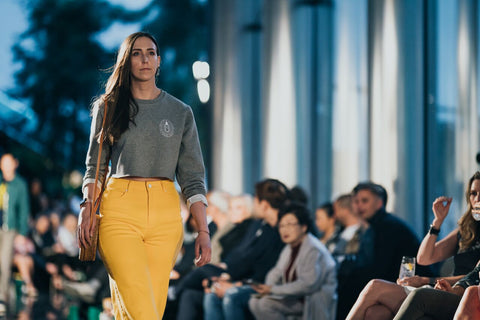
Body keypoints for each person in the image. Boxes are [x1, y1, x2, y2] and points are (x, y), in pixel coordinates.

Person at [78, 31, 211, 320]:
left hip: (166, 215)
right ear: (127, 62)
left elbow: (192, 178)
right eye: (136, 53)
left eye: (150, 52)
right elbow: (95, 167)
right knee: (144, 312)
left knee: (143, 308)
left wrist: (203, 230)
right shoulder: (108, 106)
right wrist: (86, 207)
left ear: (159, 61)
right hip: (119, 211)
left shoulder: (180, 112)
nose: (145, 59)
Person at [346, 172, 480, 320]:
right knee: (376, 313)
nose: (477, 199)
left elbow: (474, 275)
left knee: (374, 286)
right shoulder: (467, 230)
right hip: (443, 288)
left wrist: (427, 280)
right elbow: (424, 258)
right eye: (473, 193)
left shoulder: (388, 225)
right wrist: (437, 222)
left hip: (462, 293)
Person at [248, 203, 337, 320]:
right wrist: (267, 288)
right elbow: (277, 272)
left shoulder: (313, 249)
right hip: (296, 298)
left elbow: (308, 284)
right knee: (255, 301)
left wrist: (272, 290)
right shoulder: (289, 247)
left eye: (290, 224)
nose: (285, 230)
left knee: (265, 304)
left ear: (304, 227)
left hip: (311, 300)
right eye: (281, 226)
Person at [0, 153, 31, 314]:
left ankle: (2, 298)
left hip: (9, 228)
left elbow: (24, 209)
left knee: (4, 263)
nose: (5, 165)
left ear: (15, 164)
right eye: (3, 162)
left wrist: (22, 232)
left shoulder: (20, 184)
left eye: (8, 162)